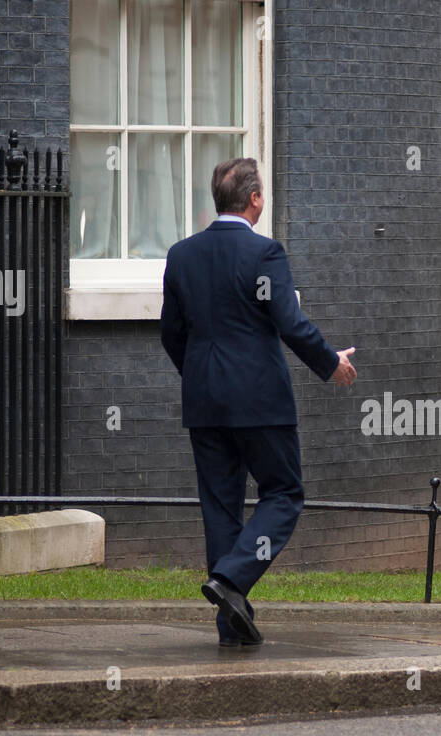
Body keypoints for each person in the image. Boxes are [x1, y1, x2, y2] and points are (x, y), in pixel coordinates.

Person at [161, 157, 357, 647]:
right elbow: (290, 323)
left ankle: (232, 624)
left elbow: (171, 333)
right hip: (260, 403)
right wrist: (330, 362)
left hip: (205, 403)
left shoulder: (181, 255)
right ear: (254, 200)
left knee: (220, 508)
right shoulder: (265, 253)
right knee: (284, 495)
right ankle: (231, 580)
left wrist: (203, 375)